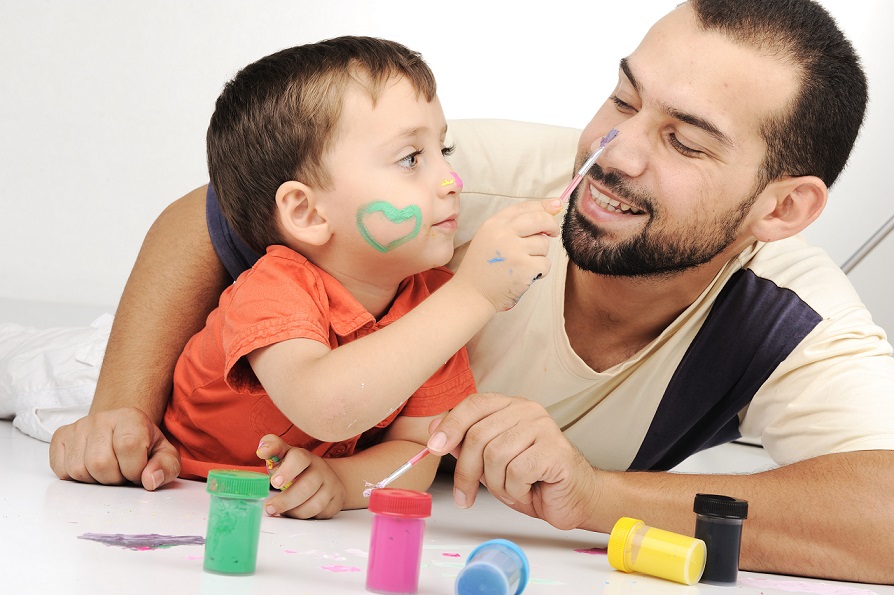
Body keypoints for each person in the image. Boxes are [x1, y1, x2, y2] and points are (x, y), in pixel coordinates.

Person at [49, 0, 894, 582]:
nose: (614, 150)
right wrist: (121, 405)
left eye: (685, 141)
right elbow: (196, 217)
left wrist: (593, 495)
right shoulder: (465, 185)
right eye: (624, 97)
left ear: (782, 207)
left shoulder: (789, 317)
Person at [157, 37, 562, 519]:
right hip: (182, 482)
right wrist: (473, 293)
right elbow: (324, 404)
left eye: (444, 148)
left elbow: (419, 451)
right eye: (412, 158)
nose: (452, 179)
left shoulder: (429, 304)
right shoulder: (275, 287)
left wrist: (341, 481)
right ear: (306, 212)